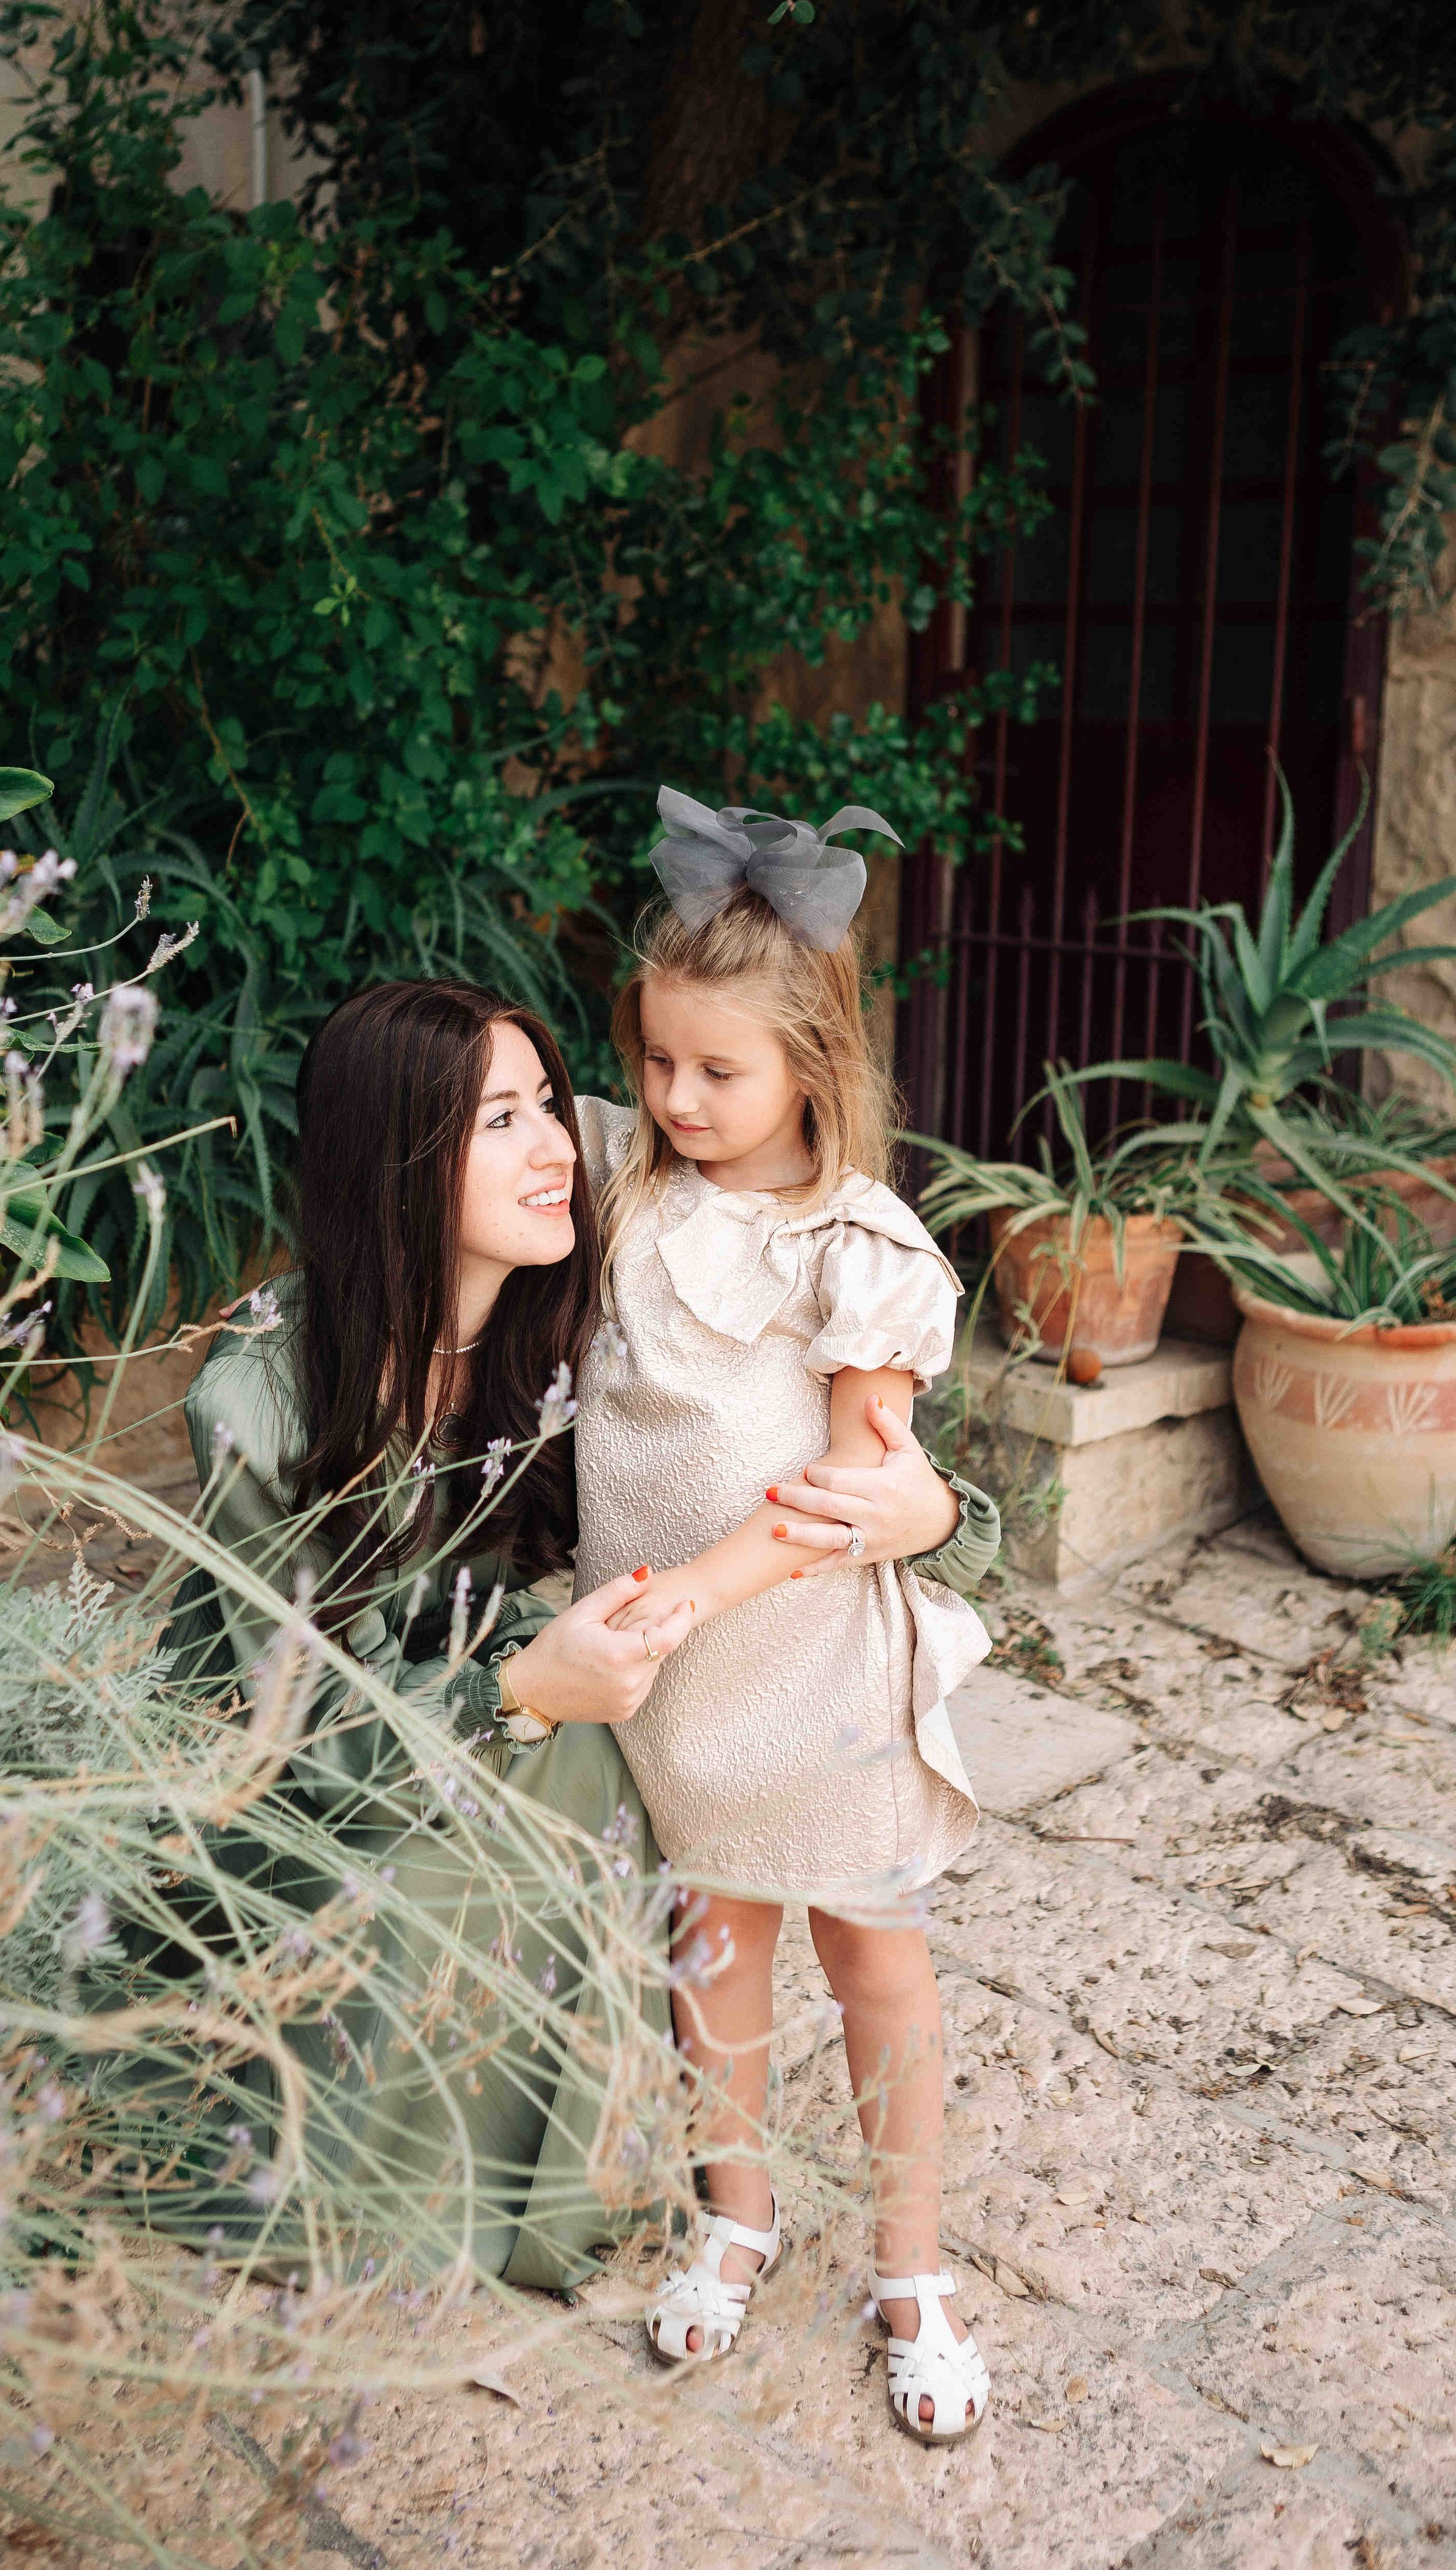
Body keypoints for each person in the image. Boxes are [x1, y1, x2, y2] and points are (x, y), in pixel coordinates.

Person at [168, 975, 1000, 2294]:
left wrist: (940, 1505)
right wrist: (522, 1689)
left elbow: (789, 1437)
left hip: (541, 1718)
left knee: (633, 1776)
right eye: (497, 1122)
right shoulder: (261, 1403)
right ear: (392, 1163)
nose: (563, 1144)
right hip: (327, 1802)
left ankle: (703, 2181)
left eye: (548, 1103)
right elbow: (291, 1744)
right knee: (571, 1787)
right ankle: (431, 2168)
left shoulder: (567, 1307)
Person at [574, 788, 993, 2440]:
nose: (677, 1099)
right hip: (674, 1692)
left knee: (871, 1957)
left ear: (810, 1065)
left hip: (803, 1671)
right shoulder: (624, 1183)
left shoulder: (853, 1247)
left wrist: (684, 1593)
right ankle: (733, 2211)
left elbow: (848, 1492)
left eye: (718, 1072)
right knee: (709, 1949)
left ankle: (908, 2267)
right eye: (657, 1062)